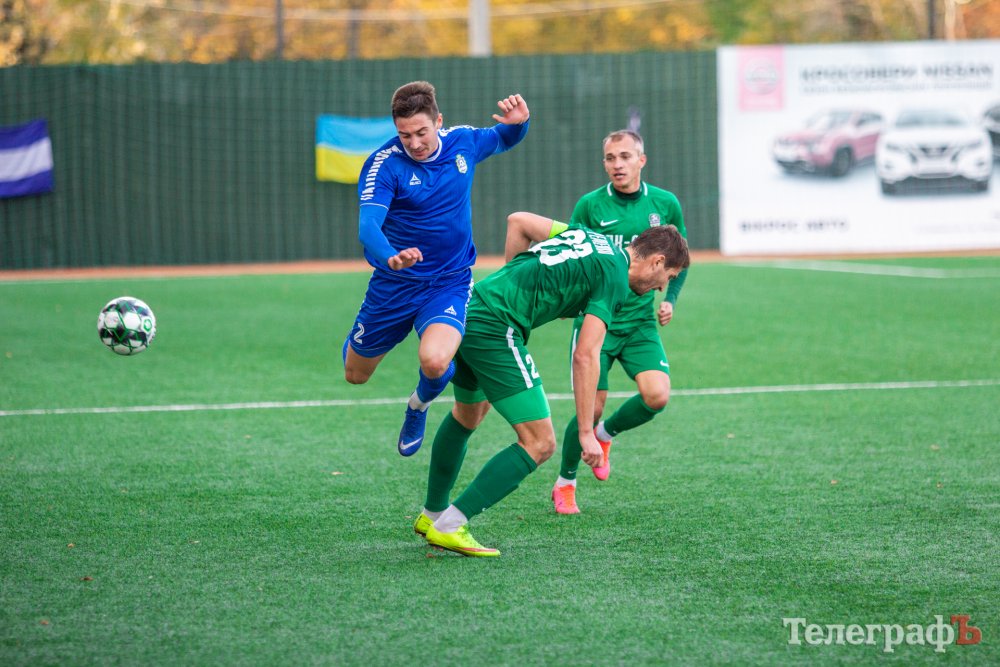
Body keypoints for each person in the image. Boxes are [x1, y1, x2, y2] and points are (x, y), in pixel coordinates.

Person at [413, 215, 690, 556]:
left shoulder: (589, 236)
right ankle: (450, 525)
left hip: (470, 307)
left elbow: (518, 222)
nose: (662, 288)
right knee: (540, 442)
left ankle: (432, 513)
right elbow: (585, 355)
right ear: (657, 262)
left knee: (468, 414)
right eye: (668, 278)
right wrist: (586, 432)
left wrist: (516, 281)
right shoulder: (615, 276)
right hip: (496, 326)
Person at [505, 129, 688, 515]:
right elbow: (572, 250)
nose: (617, 164)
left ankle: (604, 436)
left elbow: (679, 258)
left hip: (639, 322)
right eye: (610, 158)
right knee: (593, 406)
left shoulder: (665, 203)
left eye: (625, 156)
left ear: (642, 160)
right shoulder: (590, 205)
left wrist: (669, 298)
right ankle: (566, 482)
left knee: (657, 395)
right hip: (597, 320)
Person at [343, 81, 530, 457]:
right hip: (394, 284)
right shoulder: (384, 164)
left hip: (449, 282)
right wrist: (391, 256)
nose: (414, 143)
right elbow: (368, 227)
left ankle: (418, 405)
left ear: (438, 122)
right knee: (356, 375)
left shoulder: (463, 142)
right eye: (405, 135)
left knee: (434, 360)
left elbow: (503, 138)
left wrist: (520, 122)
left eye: (421, 132)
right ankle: (361, 342)